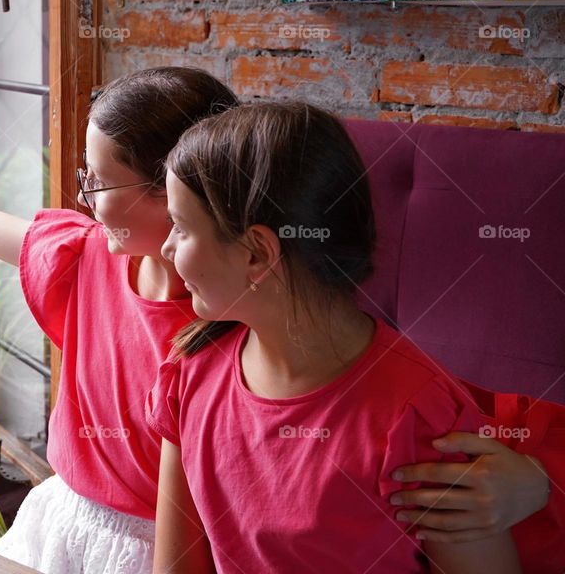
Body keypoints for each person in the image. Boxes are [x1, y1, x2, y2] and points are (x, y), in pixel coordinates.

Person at [0, 69, 547, 574]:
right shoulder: (132, 297)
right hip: (61, 519)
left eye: (101, 181)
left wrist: (535, 481)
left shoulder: (245, 322)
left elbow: (420, 428)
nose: (81, 197)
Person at [148, 101, 522, 573]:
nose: (165, 247)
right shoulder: (189, 373)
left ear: (257, 253)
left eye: (180, 228)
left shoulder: (417, 419)